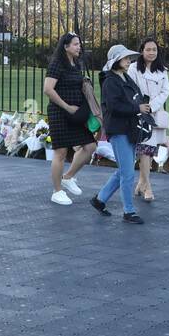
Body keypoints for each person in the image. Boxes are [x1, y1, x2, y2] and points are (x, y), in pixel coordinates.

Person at [89, 44, 151, 224]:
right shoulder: (110, 81)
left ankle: (100, 200)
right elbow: (114, 106)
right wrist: (137, 107)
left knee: (125, 169)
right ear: (116, 61)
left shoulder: (124, 77)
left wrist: (141, 105)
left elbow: (135, 97)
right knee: (127, 173)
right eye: (125, 58)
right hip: (118, 129)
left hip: (128, 128)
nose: (128, 60)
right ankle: (129, 211)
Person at [42, 32, 102, 206]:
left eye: (79, 44)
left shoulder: (76, 64)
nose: (79, 47)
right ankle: (57, 190)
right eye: (75, 44)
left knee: (90, 145)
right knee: (60, 152)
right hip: (59, 113)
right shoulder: (56, 64)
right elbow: (48, 89)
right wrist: (67, 106)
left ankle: (67, 177)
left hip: (76, 115)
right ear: (66, 47)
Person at [127, 37, 169, 203]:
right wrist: (141, 106)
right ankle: (147, 187)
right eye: (148, 49)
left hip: (155, 113)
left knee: (149, 151)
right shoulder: (133, 69)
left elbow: (166, 91)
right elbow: (130, 89)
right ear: (142, 51)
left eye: (154, 50)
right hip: (139, 113)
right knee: (145, 149)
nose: (151, 53)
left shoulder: (162, 70)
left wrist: (152, 105)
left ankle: (140, 184)